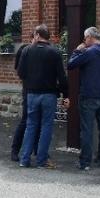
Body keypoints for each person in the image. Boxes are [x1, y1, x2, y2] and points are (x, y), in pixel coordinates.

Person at [67, 26, 100, 170]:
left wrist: (78, 50)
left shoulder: (89, 52)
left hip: (88, 96)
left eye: (85, 38)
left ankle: (85, 163)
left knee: (87, 130)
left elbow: (71, 64)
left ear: (90, 37)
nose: (84, 41)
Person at [17, 24, 70, 168]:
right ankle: (42, 160)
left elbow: (20, 73)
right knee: (46, 126)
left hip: (32, 94)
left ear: (38, 35)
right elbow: (62, 77)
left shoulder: (27, 50)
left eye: (34, 34)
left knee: (30, 126)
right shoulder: (54, 52)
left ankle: (25, 159)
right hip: (49, 95)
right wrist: (66, 95)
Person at [9, 35, 40, 162]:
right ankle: (15, 150)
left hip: (37, 90)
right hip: (28, 90)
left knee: (38, 122)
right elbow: (20, 70)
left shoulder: (38, 50)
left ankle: (37, 149)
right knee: (26, 121)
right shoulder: (25, 50)